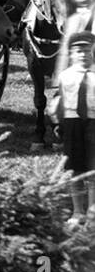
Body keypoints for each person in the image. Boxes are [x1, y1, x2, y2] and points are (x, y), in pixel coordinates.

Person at [49, 31, 95, 224]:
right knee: (74, 169)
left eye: (87, 50)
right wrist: (56, 124)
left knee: (93, 169)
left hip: (93, 124)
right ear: (71, 54)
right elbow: (58, 103)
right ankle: (77, 211)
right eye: (78, 51)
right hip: (71, 123)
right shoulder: (65, 76)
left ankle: (92, 213)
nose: (83, 54)